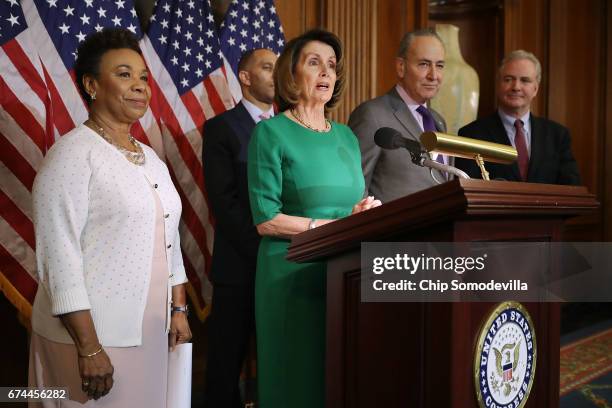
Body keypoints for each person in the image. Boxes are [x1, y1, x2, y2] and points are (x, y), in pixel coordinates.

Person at [28, 28, 191, 407]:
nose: (139, 86)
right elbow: (58, 260)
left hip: (151, 330)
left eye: (144, 78)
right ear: (91, 85)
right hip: (90, 338)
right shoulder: (70, 156)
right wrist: (88, 348)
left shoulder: (150, 158)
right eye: (124, 74)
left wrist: (178, 309)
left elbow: (170, 238)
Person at [247, 29, 381, 407]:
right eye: (314, 62)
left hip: (344, 272)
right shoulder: (270, 133)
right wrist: (329, 228)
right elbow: (266, 219)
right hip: (292, 274)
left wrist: (360, 213)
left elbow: (350, 205)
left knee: (337, 376)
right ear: (291, 74)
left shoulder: (346, 137)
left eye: (332, 65)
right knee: (297, 380)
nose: (326, 72)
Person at [202, 48, 277, 408]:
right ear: (244, 77)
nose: (277, 74)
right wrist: (263, 250)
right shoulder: (221, 128)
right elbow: (225, 203)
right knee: (224, 367)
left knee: (278, 364)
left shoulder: (290, 128)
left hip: (283, 267)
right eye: (267, 67)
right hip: (239, 267)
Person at [348, 28, 448, 203]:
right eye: (424, 64)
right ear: (401, 67)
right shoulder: (373, 115)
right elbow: (355, 188)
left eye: (439, 65)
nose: (433, 75)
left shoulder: (439, 121)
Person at [455, 50, 581, 185]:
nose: (516, 87)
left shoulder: (558, 136)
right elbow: (467, 189)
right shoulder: (471, 135)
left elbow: (571, 187)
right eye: (508, 79)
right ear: (498, 85)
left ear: (535, 89)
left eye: (525, 80)